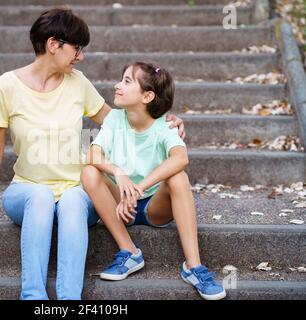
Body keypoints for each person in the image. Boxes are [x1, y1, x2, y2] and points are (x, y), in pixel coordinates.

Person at [0, 8, 185, 300]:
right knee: (41, 195)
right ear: (53, 44)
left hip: (77, 191)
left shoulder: (78, 82)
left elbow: (120, 121)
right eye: (76, 48)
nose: (80, 56)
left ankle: (70, 299)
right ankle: (33, 296)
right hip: (26, 191)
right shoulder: (5, 87)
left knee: (72, 197)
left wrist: (162, 121)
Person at [81, 62, 226, 300]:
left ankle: (194, 267)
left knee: (178, 177)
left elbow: (180, 159)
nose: (117, 85)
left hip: (153, 207)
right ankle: (129, 252)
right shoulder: (115, 120)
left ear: (147, 95)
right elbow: (93, 155)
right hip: (120, 202)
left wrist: (139, 188)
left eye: (127, 81)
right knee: (89, 171)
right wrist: (118, 173)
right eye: (121, 79)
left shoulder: (165, 125)